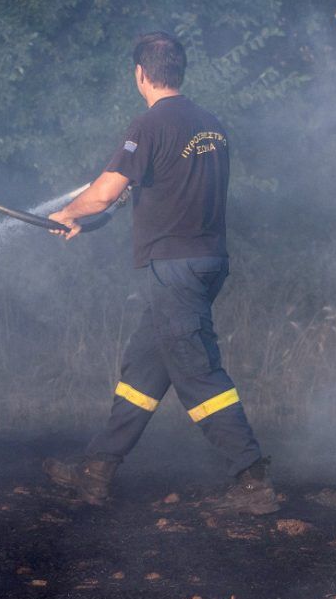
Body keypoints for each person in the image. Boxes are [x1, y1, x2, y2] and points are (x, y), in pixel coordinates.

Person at [42, 31, 278, 515]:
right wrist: (90, 218)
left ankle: (252, 481)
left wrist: (67, 213)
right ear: (180, 71)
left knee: (198, 373)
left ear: (140, 74)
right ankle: (97, 468)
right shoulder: (211, 125)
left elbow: (106, 191)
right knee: (144, 368)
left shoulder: (149, 124)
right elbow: (152, 190)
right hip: (207, 263)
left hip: (174, 268)